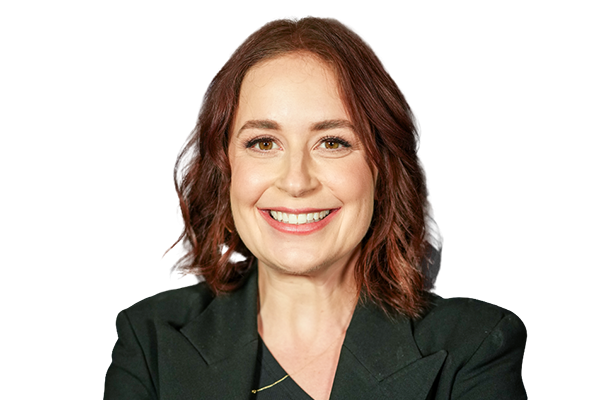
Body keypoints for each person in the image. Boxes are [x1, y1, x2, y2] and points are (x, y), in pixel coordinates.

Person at [104, 15, 527, 400]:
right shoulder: (148, 341)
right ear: (225, 167)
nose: (296, 182)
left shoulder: (475, 347)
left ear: (382, 168)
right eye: (263, 143)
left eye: (332, 142)